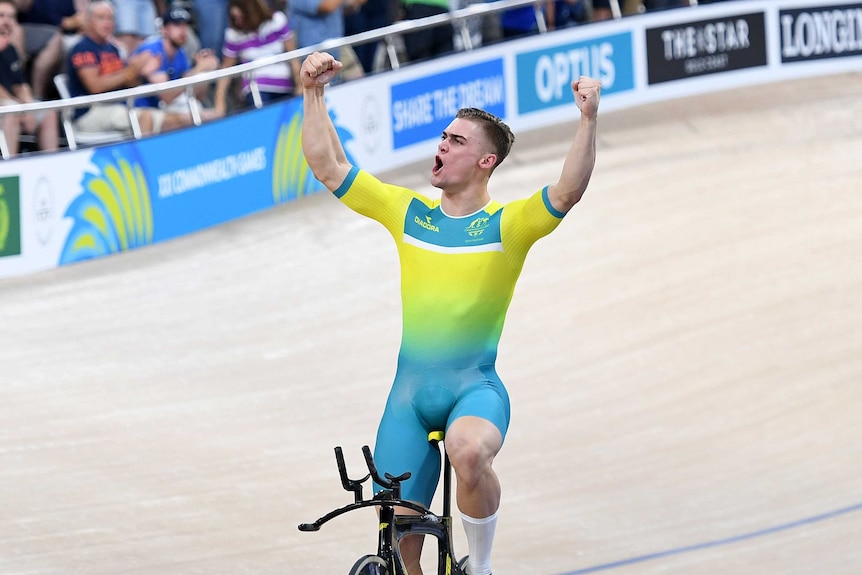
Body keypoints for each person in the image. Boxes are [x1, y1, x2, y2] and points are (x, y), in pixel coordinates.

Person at [300, 50, 600, 575]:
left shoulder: (508, 226)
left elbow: (568, 190)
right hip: (408, 399)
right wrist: (313, 93)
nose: (442, 143)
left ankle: (479, 566)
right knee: (402, 556)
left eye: (456, 141)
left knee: (467, 451)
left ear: (487, 161)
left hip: (474, 390)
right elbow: (329, 167)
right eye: (444, 136)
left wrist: (588, 119)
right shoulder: (408, 213)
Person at [66, 0, 163, 136]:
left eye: (110, 18)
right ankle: (143, 158)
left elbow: (127, 83)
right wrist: (130, 71)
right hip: (90, 111)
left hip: (117, 106)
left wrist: (142, 73)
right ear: (88, 21)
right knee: (145, 118)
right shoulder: (82, 48)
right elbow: (95, 87)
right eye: (101, 18)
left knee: (169, 119)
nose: (107, 23)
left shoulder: (113, 48)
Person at [132, 7, 222, 130]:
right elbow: (166, 96)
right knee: (202, 117)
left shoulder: (180, 53)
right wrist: (198, 69)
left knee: (205, 112)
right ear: (164, 29)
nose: (183, 30)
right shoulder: (152, 50)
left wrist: (205, 72)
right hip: (142, 112)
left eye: (185, 26)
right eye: (177, 25)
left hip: (163, 109)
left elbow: (198, 95)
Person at [214, 0, 300, 113]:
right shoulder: (234, 34)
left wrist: (300, 83)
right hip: (255, 86)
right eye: (234, 18)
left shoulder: (277, 20)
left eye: (241, 17)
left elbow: (292, 54)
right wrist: (219, 103)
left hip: (284, 82)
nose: (238, 22)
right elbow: (226, 69)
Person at [0, 0, 58, 155]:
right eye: (2, 16)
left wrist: (29, 107)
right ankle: (10, 170)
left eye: (11, 17)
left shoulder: (10, 49)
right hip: (6, 106)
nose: (7, 22)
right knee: (11, 113)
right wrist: (19, 108)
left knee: (47, 111)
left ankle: (51, 162)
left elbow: (21, 84)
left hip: (11, 104)